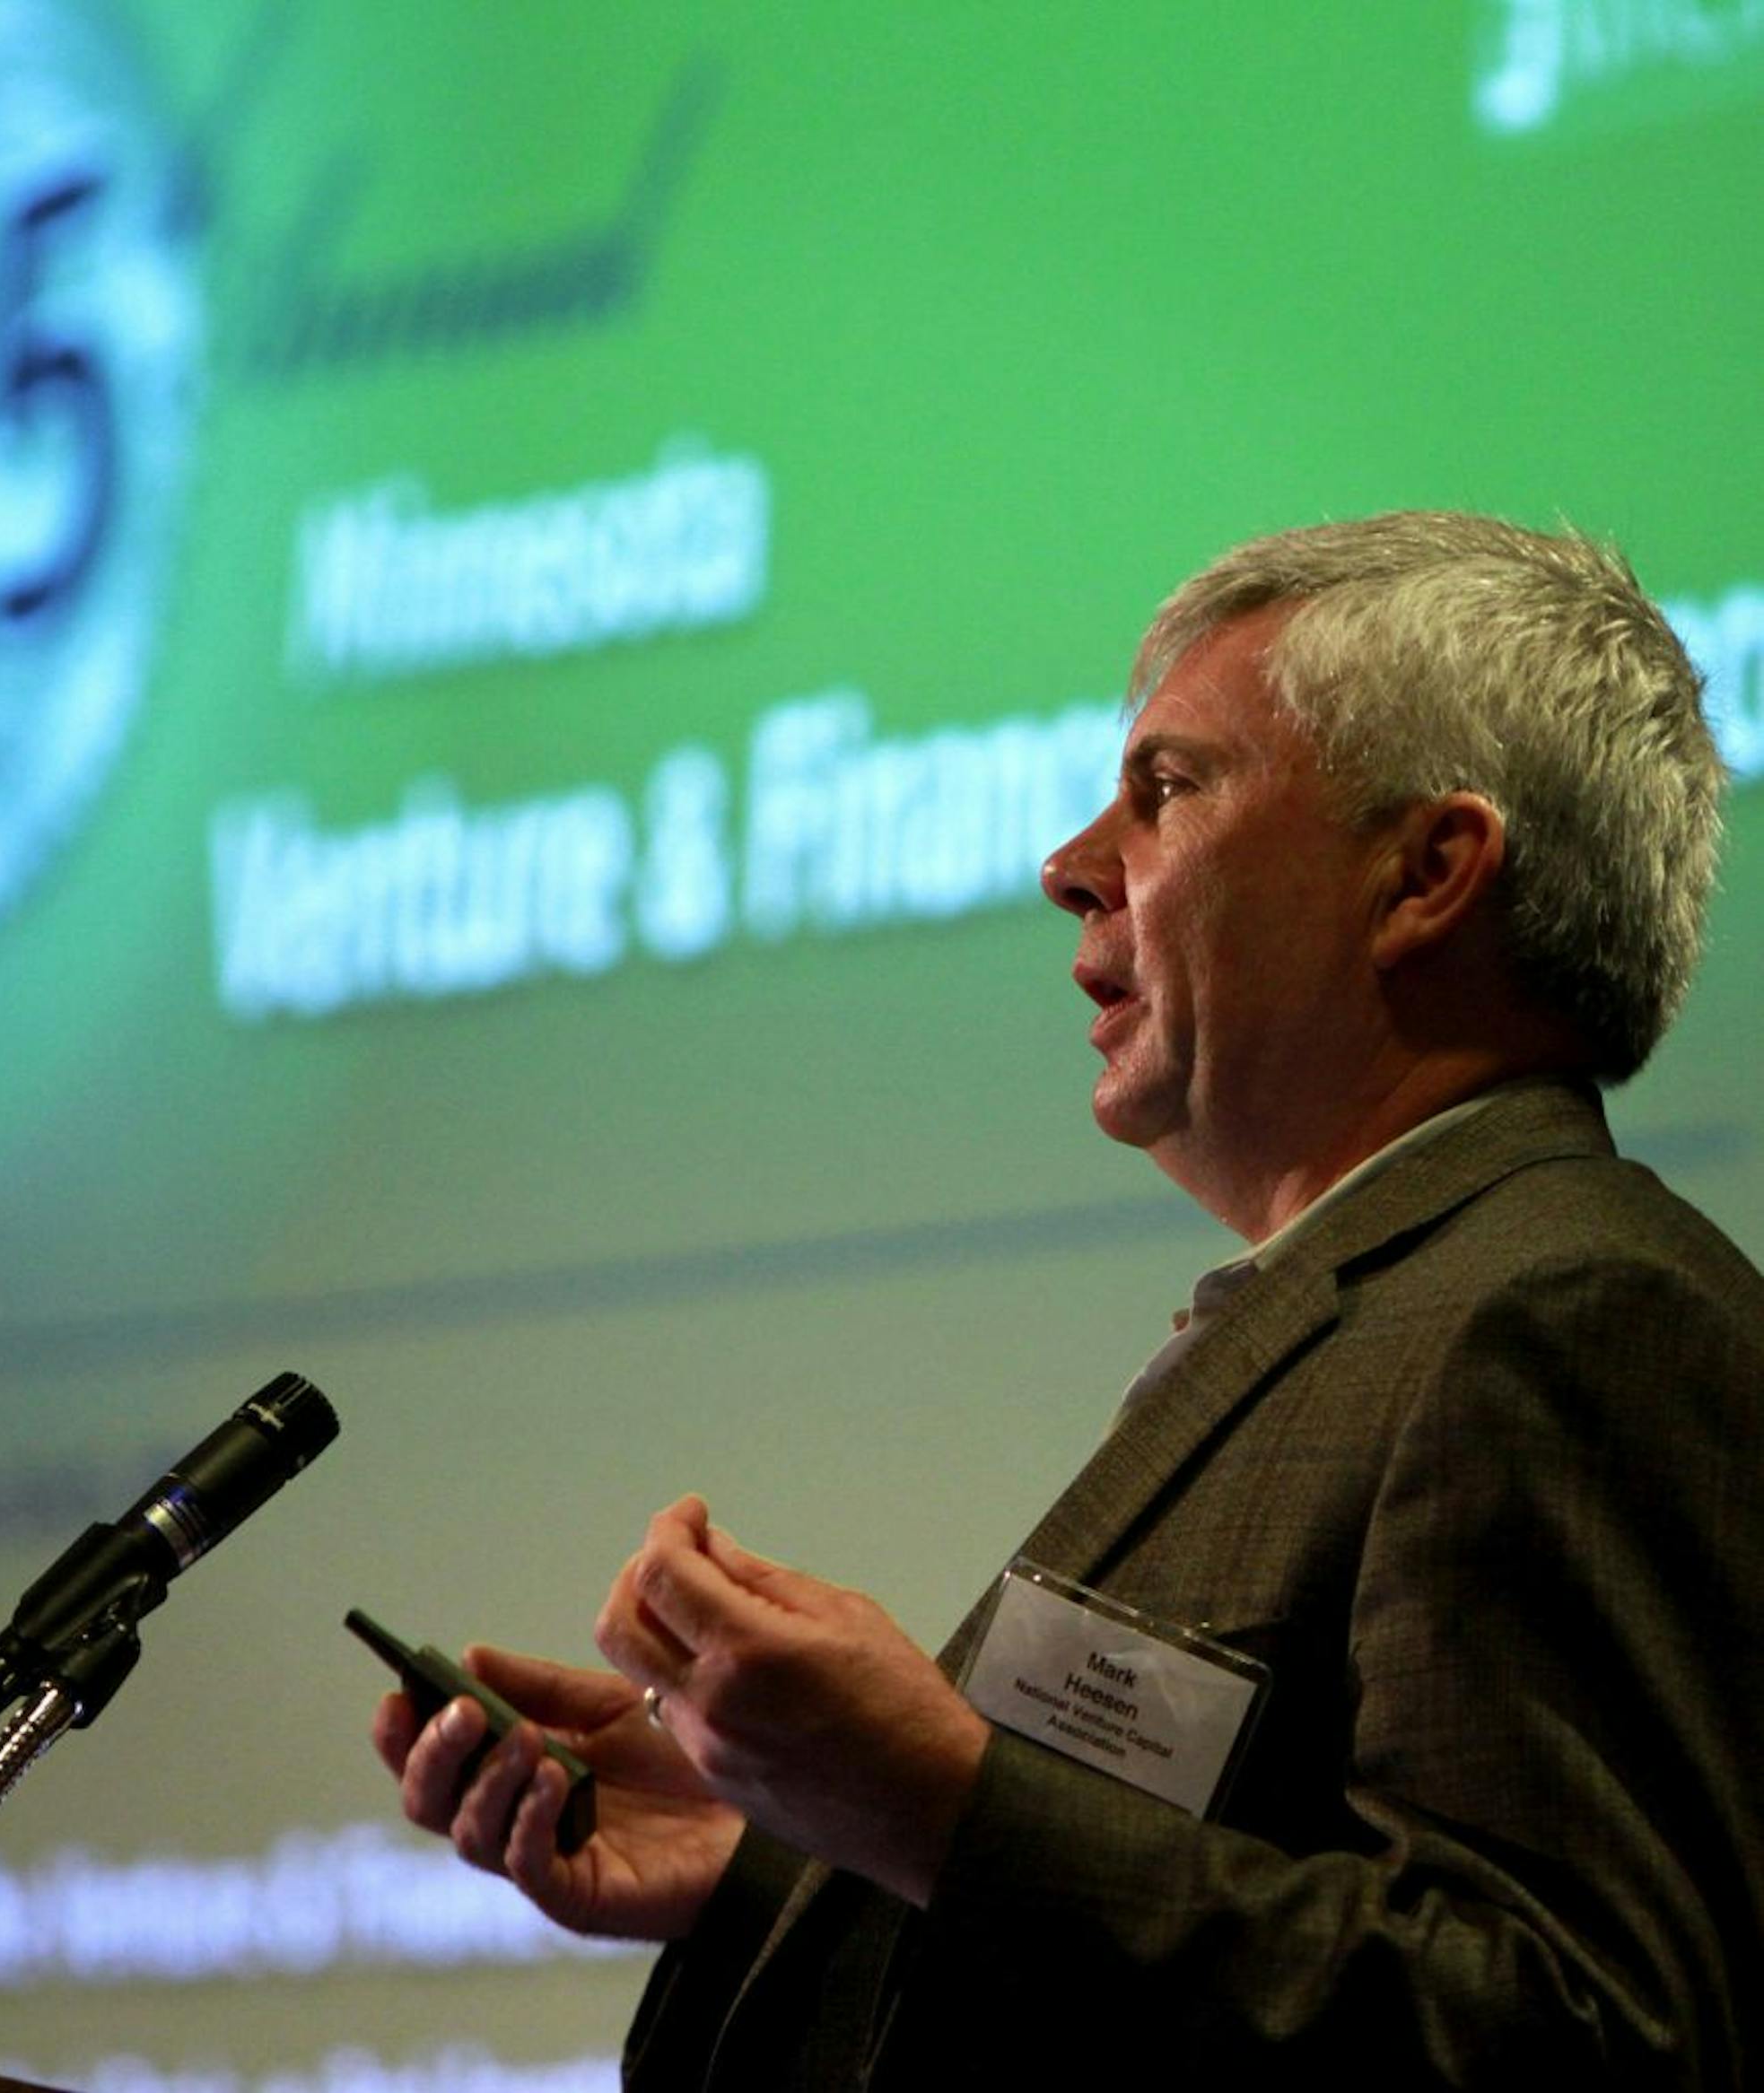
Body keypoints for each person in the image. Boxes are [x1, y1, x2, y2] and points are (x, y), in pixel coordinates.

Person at [373, 512, 1764, 2088]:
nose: (1069, 866)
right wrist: (795, 1858)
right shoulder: (1360, 1312)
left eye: (1165, 790)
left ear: (1427, 873)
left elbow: (1585, 2044)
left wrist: (940, 1804)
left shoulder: (1568, 1314)